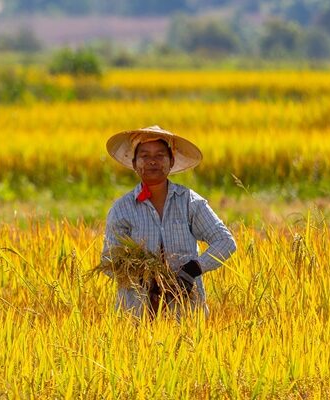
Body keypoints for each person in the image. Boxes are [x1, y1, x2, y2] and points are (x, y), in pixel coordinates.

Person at [101, 126, 237, 316]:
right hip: (136, 316)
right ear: (134, 163)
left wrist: (193, 269)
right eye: (145, 156)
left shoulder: (190, 202)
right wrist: (140, 276)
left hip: (186, 313)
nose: (152, 162)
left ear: (171, 161)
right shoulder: (122, 209)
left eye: (160, 155)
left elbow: (225, 242)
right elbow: (109, 260)